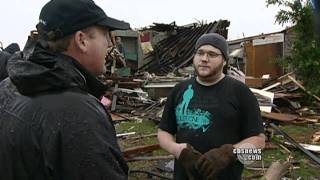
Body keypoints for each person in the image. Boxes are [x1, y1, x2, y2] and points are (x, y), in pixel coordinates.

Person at [0, 0, 130, 179]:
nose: (110, 44)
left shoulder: (8, 85)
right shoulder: (79, 112)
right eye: (106, 35)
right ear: (82, 40)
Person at [157, 33, 265, 180]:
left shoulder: (240, 92)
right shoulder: (179, 90)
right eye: (200, 53)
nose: (204, 59)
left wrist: (229, 153)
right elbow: (163, 132)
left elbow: (259, 143)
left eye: (212, 54)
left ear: (225, 61)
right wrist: (177, 150)